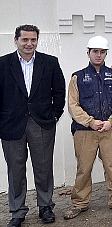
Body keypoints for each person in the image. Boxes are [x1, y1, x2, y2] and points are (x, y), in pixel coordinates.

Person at [0, 25, 65, 227]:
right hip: (11, 126)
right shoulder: (2, 64)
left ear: (37, 40)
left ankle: (45, 206)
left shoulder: (50, 63)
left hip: (42, 124)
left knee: (44, 168)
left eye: (33, 40)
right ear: (16, 40)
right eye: (25, 40)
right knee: (16, 171)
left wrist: (54, 115)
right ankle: (17, 212)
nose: (29, 44)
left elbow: (59, 92)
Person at [65, 36, 112, 220]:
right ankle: (80, 202)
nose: (99, 55)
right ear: (88, 53)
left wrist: (111, 121)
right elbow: (73, 105)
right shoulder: (77, 77)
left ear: (106, 54)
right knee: (84, 167)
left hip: (110, 130)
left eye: (102, 52)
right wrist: (90, 122)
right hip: (85, 132)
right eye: (95, 51)